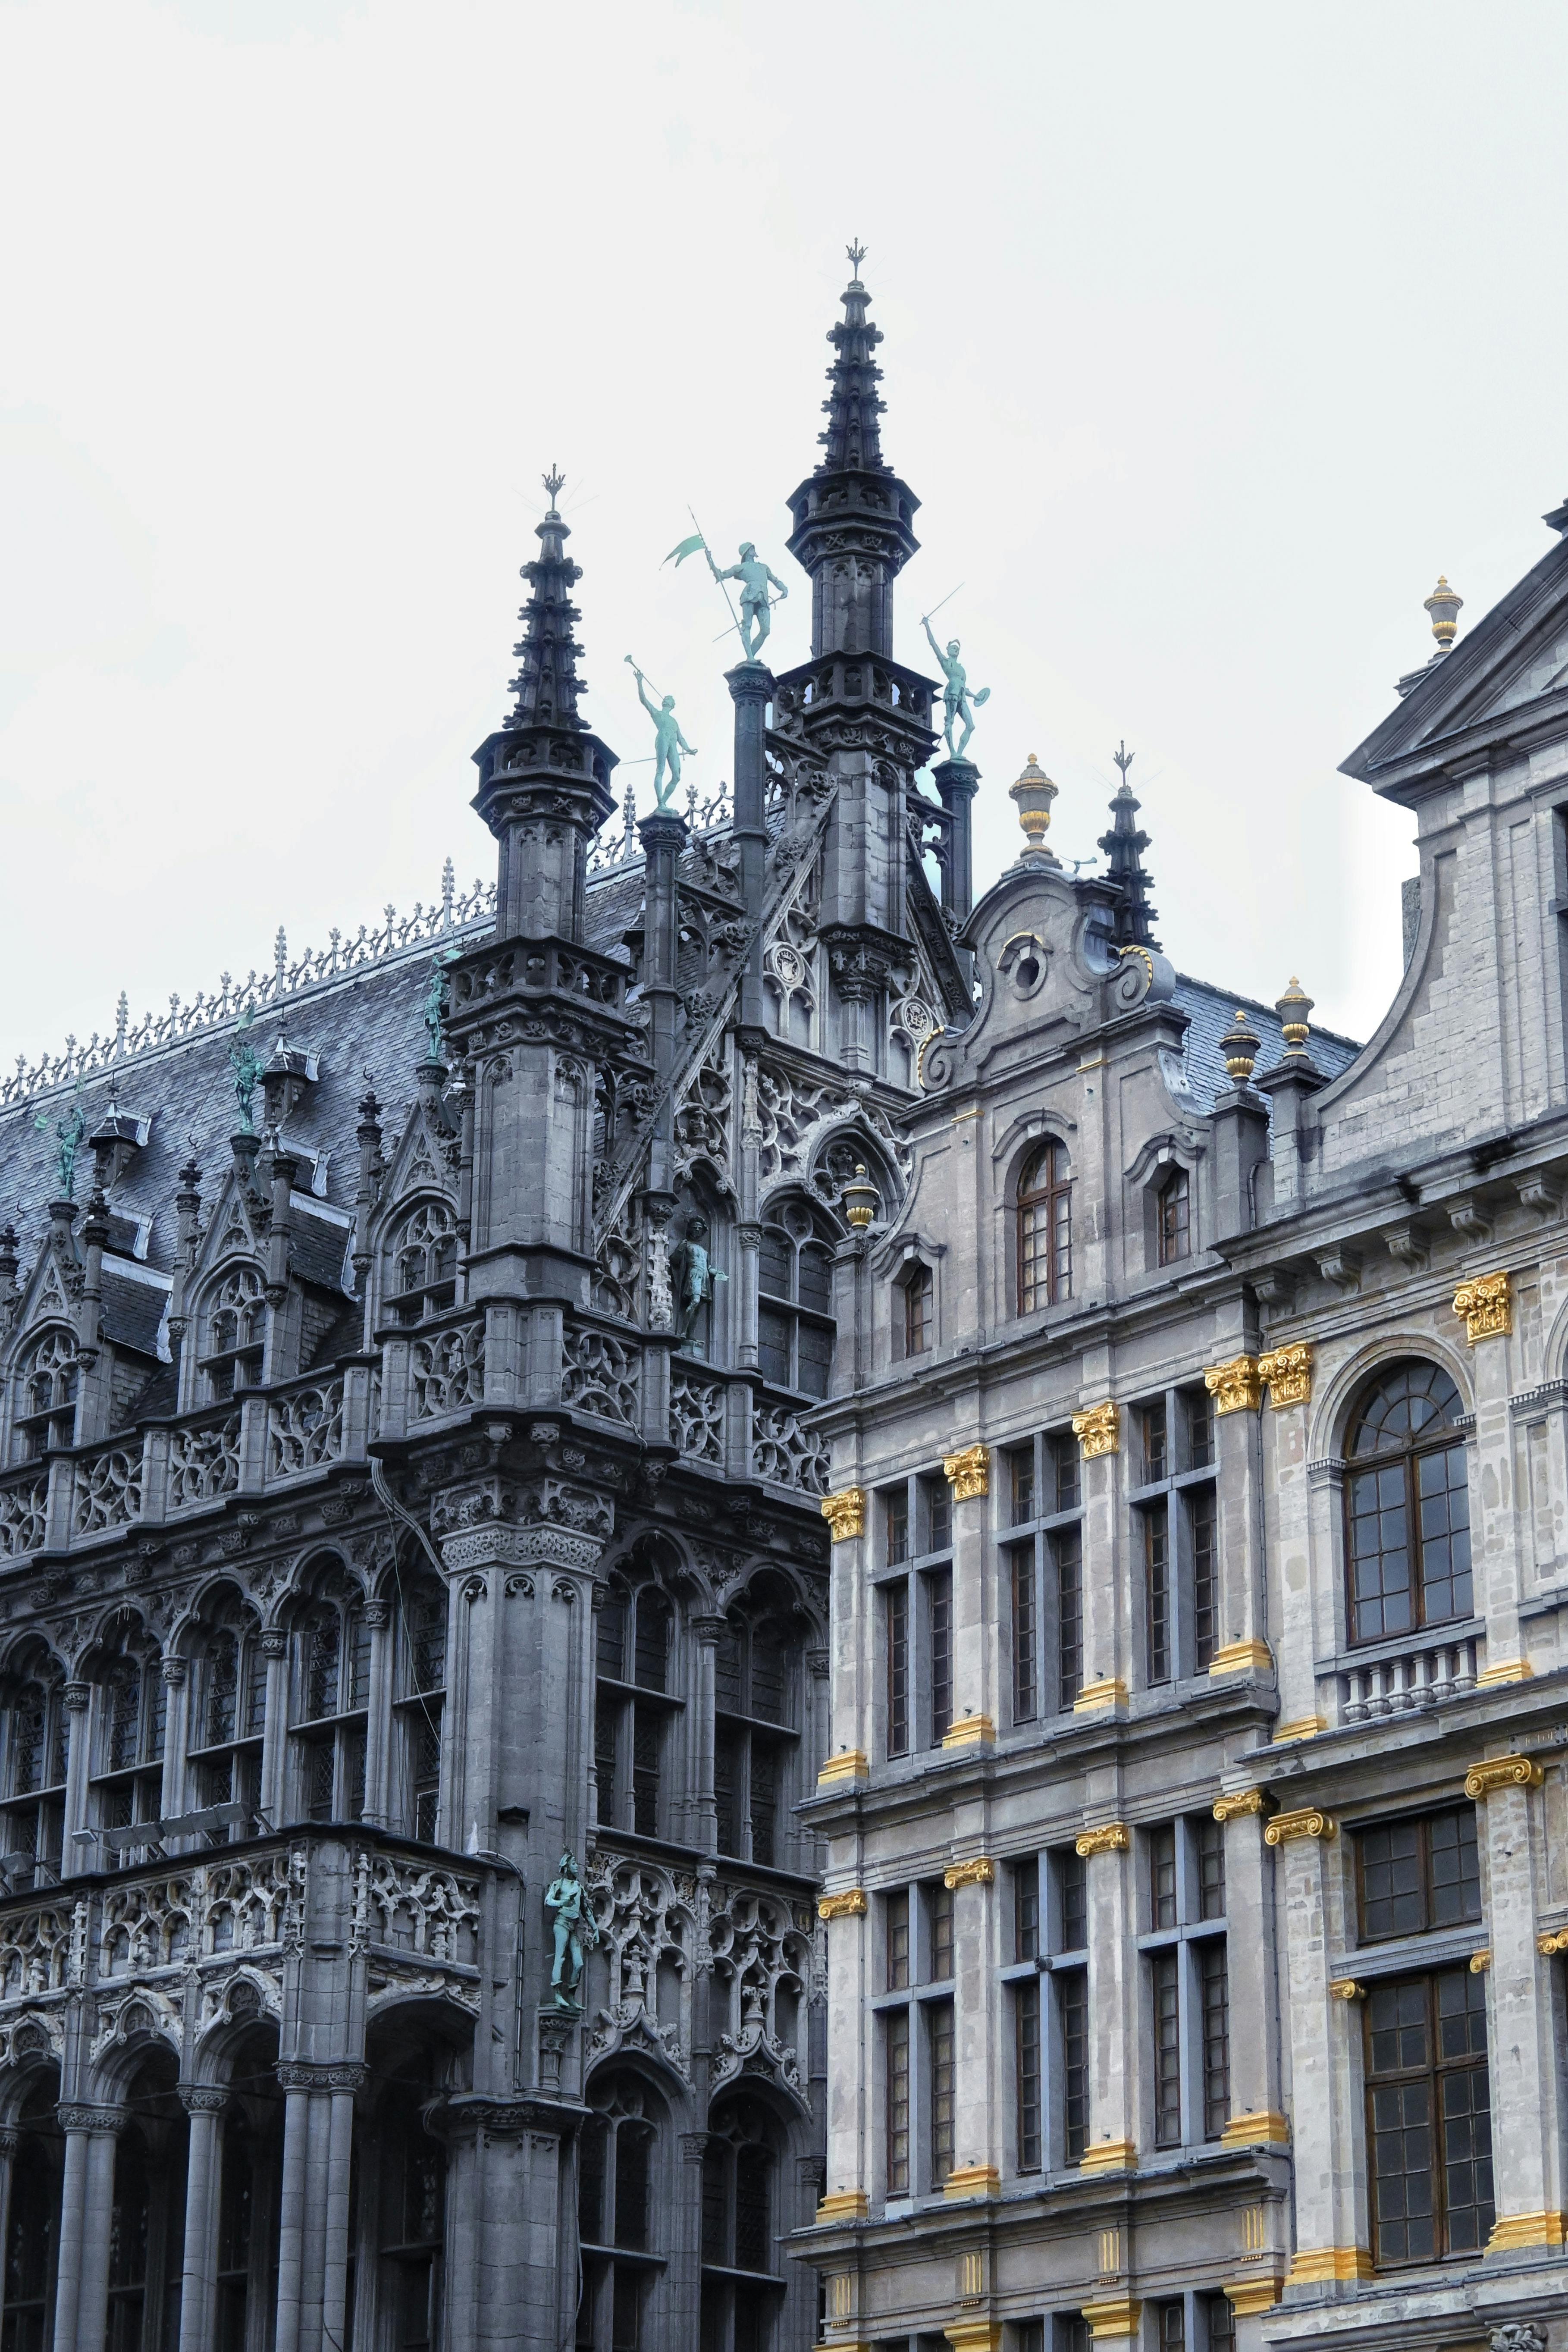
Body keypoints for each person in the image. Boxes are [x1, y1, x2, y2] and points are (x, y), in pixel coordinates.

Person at [625, 660, 698, 806]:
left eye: (669, 699)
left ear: (672, 705)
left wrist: (689, 749)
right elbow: (643, 700)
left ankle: (663, 802)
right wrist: (640, 682)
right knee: (661, 770)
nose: (666, 699)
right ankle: (660, 802)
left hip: (673, 744)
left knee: (677, 776)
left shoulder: (674, 721)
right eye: (666, 698)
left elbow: (681, 739)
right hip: (663, 738)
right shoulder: (658, 714)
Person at [921, 615, 990, 759]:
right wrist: (927, 626)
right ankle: (952, 752)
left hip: (962, 696)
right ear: (948, 650)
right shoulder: (945, 662)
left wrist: (976, 696)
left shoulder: (961, 668)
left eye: (957, 649)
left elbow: (964, 686)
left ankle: (959, 753)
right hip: (952, 693)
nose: (955, 651)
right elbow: (933, 644)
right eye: (953, 648)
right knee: (950, 722)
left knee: (971, 726)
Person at [708, 541, 788, 662]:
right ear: (747, 553)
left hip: (764, 598)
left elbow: (774, 579)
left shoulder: (763, 567)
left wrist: (784, 588)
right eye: (752, 549)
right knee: (748, 625)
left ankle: (750, 656)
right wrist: (711, 561)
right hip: (749, 595)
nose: (754, 550)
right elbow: (722, 575)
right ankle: (750, 658)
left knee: (766, 630)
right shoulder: (740, 567)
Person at [545, 1851, 597, 2005]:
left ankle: (571, 1995)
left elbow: (586, 1910)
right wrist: (562, 1903)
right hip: (561, 1923)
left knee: (579, 1963)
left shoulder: (578, 1887)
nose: (577, 1867)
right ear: (567, 1866)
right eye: (574, 1864)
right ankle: (557, 1994)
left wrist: (595, 1929)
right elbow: (548, 1901)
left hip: (573, 1926)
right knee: (560, 1958)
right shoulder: (559, 1884)